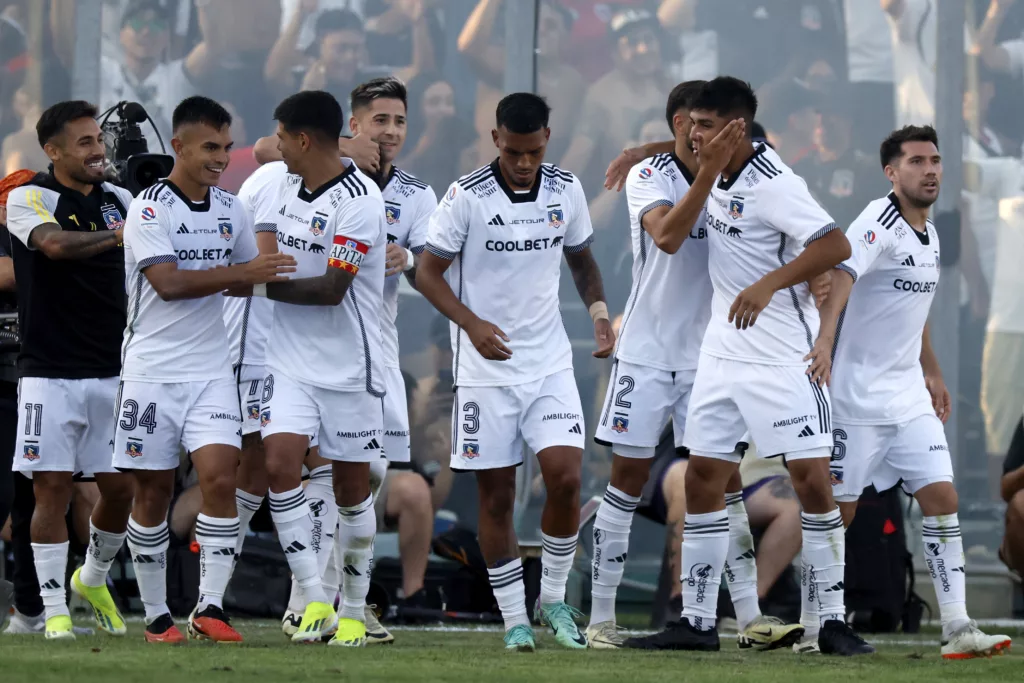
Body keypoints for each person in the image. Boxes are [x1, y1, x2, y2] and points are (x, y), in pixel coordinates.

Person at [621, 77, 869, 656]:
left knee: (810, 481)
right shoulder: (711, 171)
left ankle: (830, 621)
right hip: (719, 354)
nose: (693, 134)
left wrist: (768, 283)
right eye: (691, 124)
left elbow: (835, 246)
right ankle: (698, 621)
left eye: (707, 126)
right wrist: (642, 153)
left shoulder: (775, 182)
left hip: (783, 356)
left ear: (737, 130)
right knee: (705, 478)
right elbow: (677, 204)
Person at [586, 80, 801, 651]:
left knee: (725, 485)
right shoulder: (649, 176)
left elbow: (763, 158)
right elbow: (670, 237)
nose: (705, 134)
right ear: (681, 124)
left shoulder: (742, 167)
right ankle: (601, 617)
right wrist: (681, 163)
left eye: (717, 126)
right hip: (648, 353)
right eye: (695, 124)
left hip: (712, 355)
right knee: (625, 483)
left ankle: (749, 615)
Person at [417, 92, 615, 652]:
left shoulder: (565, 188)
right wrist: (471, 323)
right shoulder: (466, 196)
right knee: (498, 498)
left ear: (546, 138)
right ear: (496, 140)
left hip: (549, 363)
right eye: (513, 151)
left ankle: (551, 597)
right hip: (485, 370)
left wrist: (600, 314)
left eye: (532, 151)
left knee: (567, 478)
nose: (523, 162)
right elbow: (428, 274)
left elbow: (581, 259)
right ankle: (513, 621)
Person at [806, 125, 1013, 659]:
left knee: (942, 498)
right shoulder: (878, 221)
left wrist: (933, 371)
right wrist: (825, 342)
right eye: (917, 161)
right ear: (891, 172)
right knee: (840, 513)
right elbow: (843, 279)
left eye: (936, 160)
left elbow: (911, 314)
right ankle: (817, 623)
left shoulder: (931, 231)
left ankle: (958, 628)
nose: (931, 170)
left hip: (907, 397)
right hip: (856, 397)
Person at [116, 96, 295, 644]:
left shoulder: (231, 208)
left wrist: (278, 271)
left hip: (213, 370)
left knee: (221, 478)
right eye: (210, 148)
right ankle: (154, 615)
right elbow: (167, 285)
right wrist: (241, 270)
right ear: (179, 146)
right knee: (152, 493)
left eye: (225, 146)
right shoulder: (149, 208)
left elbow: (246, 279)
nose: (221, 158)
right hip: (151, 372)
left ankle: (209, 607)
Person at [226, 89, 387, 647]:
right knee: (278, 464)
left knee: (350, 488)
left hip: (349, 368)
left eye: (280, 136)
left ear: (302, 138)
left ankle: (354, 610)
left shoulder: (361, 200)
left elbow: (332, 289)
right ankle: (314, 599)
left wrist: (254, 283)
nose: (274, 147)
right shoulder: (285, 187)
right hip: (289, 362)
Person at [3, 101, 136, 641]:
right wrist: (122, 236)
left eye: (98, 140)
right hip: (48, 369)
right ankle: (53, 609)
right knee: (50, 489)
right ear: (53, 151)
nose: (98, 150)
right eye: (83, 142)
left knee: (122, 489)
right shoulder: (28, 197)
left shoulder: (120, 200)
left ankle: (93, 576)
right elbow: (54, 245)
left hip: (114, 368)